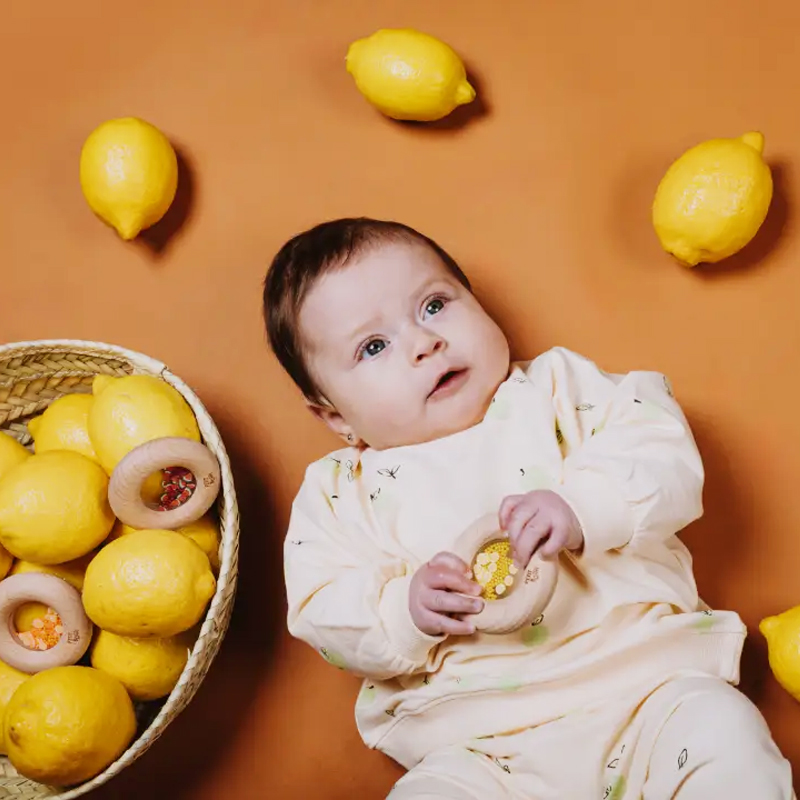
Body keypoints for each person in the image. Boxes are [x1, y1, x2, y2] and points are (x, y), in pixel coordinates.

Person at [263, 217, 794, 799]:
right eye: (373, 346)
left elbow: (657, 443)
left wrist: (582, 505)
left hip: (649, 690)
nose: (423, 342)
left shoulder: (556, 390)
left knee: (724, 735)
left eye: (435, 305)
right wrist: (402, 610)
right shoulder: (340, 493)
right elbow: (320, 607)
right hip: (482, 748)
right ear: (335, 415)